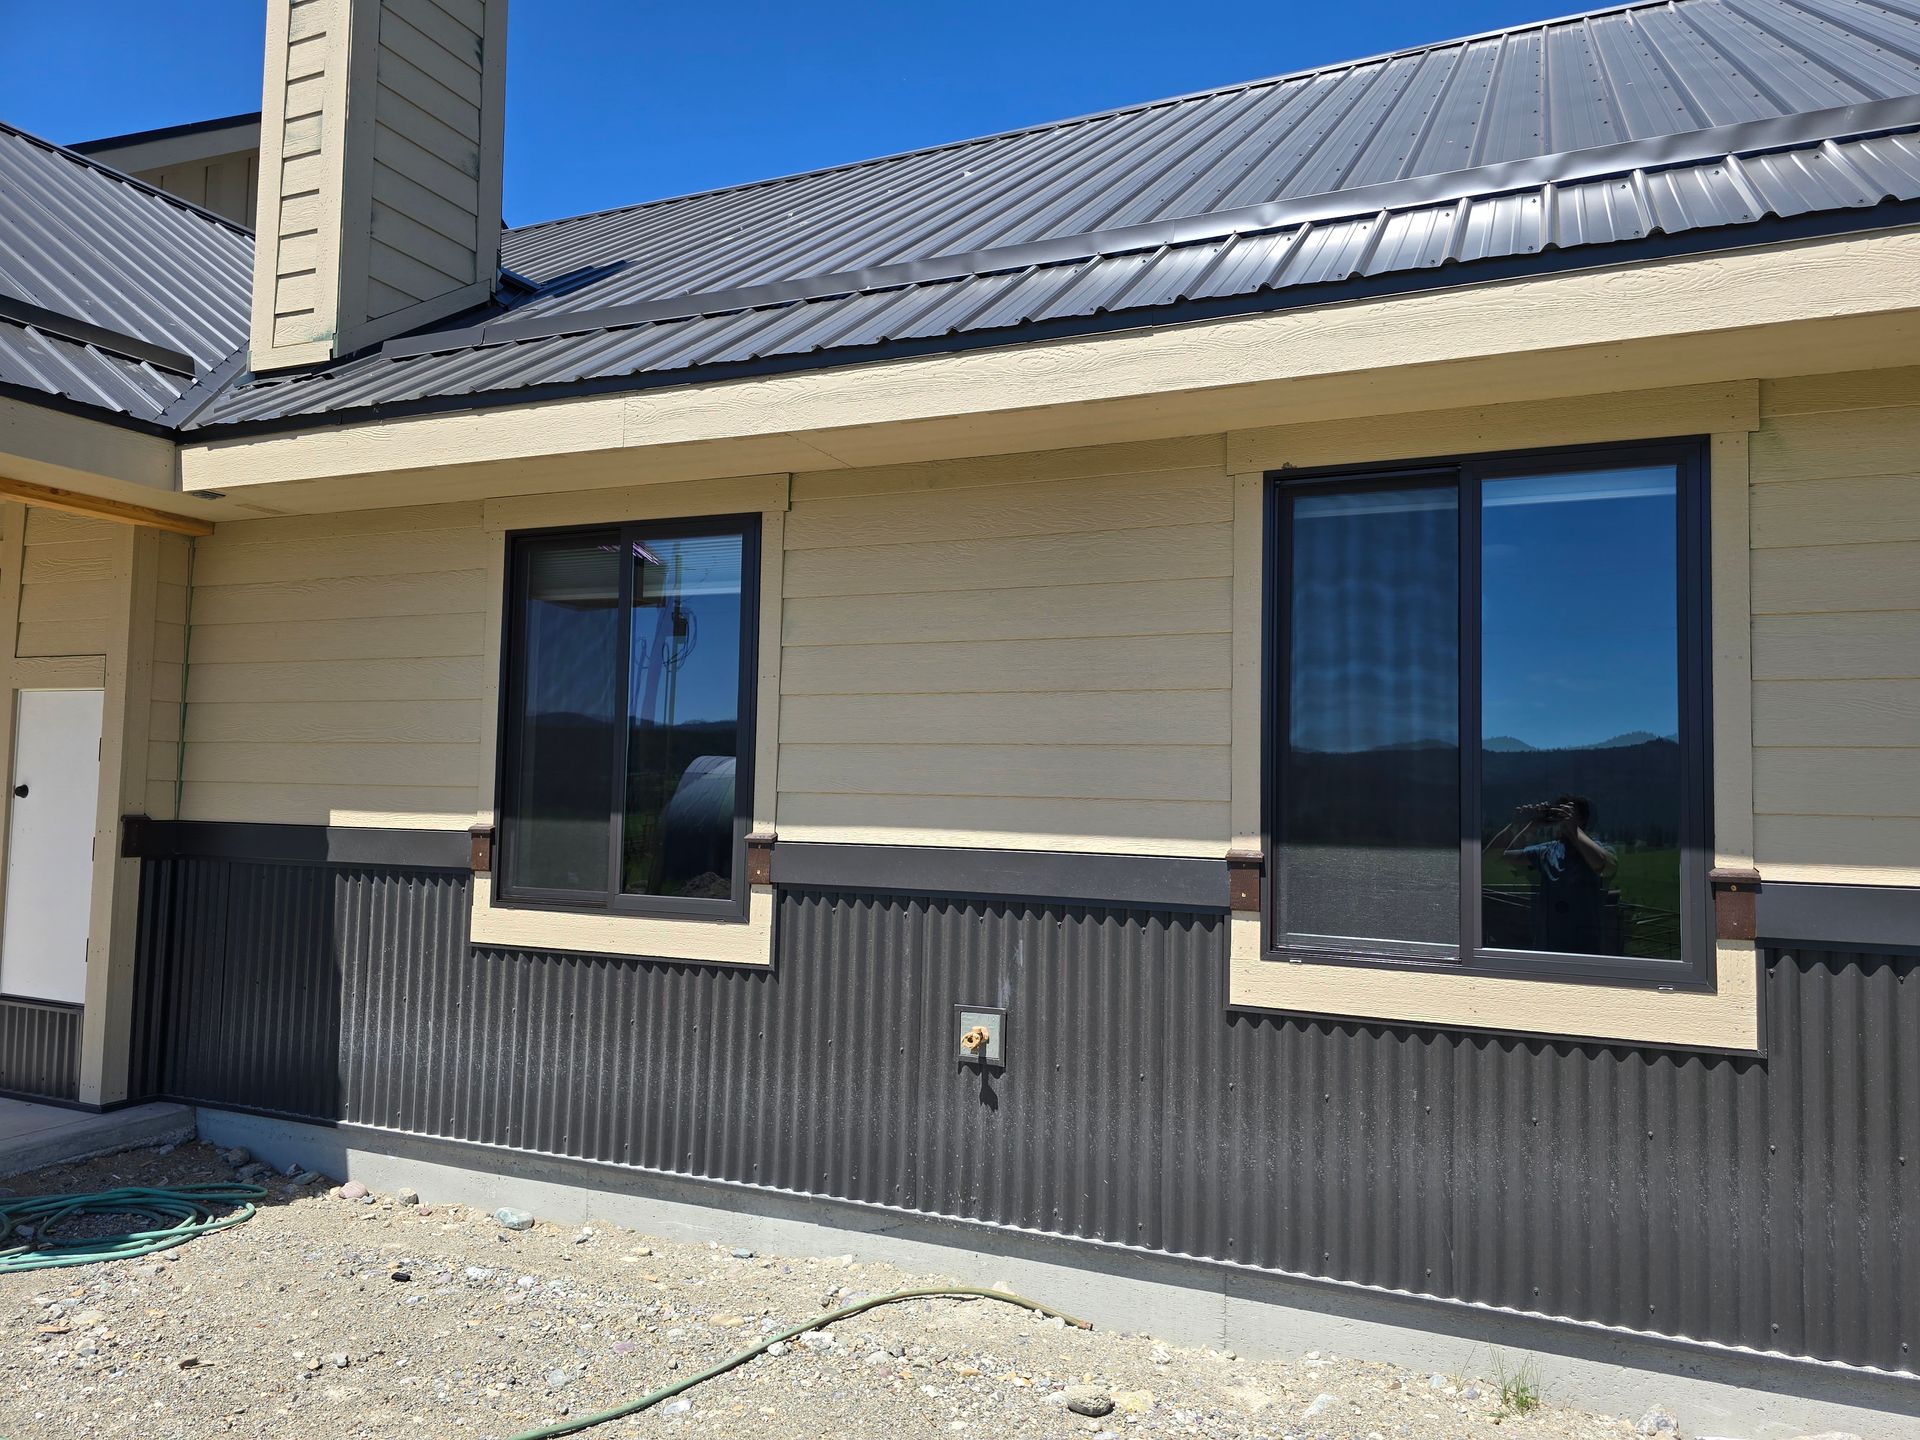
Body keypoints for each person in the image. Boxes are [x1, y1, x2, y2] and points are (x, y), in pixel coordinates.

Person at [1484, 795, 1618, 954]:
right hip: (1547, 950)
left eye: (1567, 814)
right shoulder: (1547, 851)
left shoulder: (1600, 849)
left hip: (1584, 950)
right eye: (1558, 814)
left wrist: (1574, 830)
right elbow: (1492, 858)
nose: (1561, 821)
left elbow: (1604, 865)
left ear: (1583, 819)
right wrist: (1519, 826)